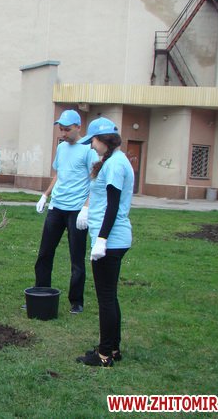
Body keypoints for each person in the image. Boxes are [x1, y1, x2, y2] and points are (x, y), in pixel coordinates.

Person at [74, 117, 134, 367]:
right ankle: (113, 348)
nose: (91, 145)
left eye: (94, 141)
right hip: (112, 238)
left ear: (104, 140)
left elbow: (113, 205)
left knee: (106, 298)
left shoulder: (116, 164)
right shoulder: (113, 161)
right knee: (110, 297)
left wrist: (102, 240)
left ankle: (104, 355)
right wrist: (87, 210)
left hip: (111, 240)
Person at [32, 109, 98, 314]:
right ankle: (40, 293)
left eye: (67, 129)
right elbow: (59, 174)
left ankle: (76, 301)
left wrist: (86, 207)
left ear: (78, 127)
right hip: (57, 207)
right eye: (61, 129)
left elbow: (95, 181)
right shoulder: (61, 148)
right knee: (44, 253)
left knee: (76, 258)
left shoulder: (89, 150)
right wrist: (46, 195)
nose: (63, 133)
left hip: (76, 210)